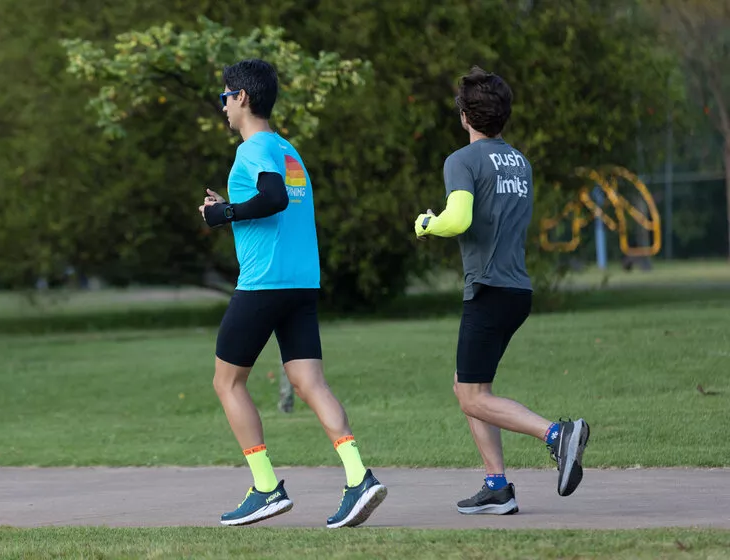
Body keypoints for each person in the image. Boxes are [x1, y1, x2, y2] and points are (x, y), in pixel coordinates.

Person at [199, 58, 387, 528]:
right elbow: (279, 200)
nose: (223, 106)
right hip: (302, 283)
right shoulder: (288, 150)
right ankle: (358, 477)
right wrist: (233, 208)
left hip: (264, 284)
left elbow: (274, 197)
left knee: (227, 382)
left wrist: (223, 215)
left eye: (225, 97)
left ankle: (265, 487)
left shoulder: (254, 150)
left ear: (241, 97)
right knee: (310, 383)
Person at [413, 66, 590, 515]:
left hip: (489, 289)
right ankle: (497, 487)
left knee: (471, 395)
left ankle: (558, 434)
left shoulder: (462, 160)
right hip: (516, 289)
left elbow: (459, 220)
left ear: (464, 116)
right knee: (469, 386)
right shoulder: (519, 161)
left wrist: (427, 224)